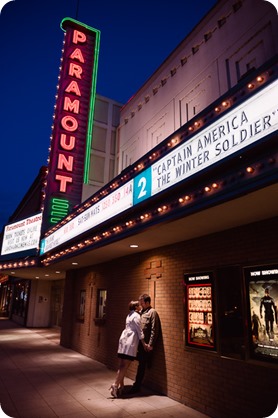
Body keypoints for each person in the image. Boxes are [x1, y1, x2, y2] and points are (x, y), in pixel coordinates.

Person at [109, 300, 147, 398]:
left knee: (121, 365)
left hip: (123, 341)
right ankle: (115, 385)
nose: (140, 307)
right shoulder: (137, 316)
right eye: (139, 305)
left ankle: (121, 387)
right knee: (125, 366)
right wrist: (144, 344)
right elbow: (139, 331)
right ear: (136, 308)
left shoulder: (129, 315)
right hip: (130, 342)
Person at [130, 293, 160, 394]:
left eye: (142, 303)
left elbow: (154, 330)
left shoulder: (152, 313)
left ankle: (136, 386)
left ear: (147, 302)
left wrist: (151, 345)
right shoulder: (140, 312)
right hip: (138, 344)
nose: (140, 304)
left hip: (146, 346)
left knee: (141, 365)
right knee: (130, 359)